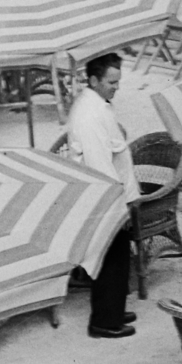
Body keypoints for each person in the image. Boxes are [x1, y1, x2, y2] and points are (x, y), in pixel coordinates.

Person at [65, 53, 137, 339]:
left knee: (117, 259)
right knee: (111, 259)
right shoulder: (90, 115)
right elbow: (100, 167)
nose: (115, 87)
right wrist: (119, 209)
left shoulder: (97, 105)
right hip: (107, 200)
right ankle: (105, 321)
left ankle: (114, 309)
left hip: (113, 194)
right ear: (93, 80)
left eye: (117, 82)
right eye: (110, 82)